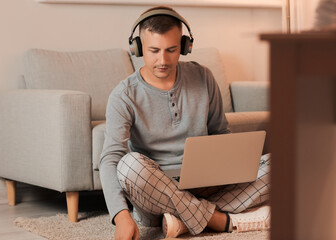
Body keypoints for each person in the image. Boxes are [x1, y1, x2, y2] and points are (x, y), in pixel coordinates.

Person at [99, 5, 271, 240]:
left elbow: (220, 133)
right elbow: (110, 158)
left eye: (171, 49)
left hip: (207, 186)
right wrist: (122, 217)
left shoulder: (203, 77)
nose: (163, 60)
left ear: (185, 46)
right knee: (129, 165)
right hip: (153, 193)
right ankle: (219, 219)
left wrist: (231, 166)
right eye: (154, 50)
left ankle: (183, 220)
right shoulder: (124, 95)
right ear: (137, 48)